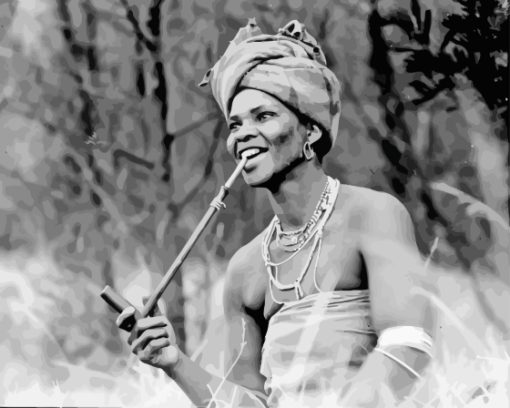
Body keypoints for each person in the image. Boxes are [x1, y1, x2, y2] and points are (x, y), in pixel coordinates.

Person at [116, 19, 433, 407]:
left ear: (311, 132)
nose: (241, 134)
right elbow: (250, 403)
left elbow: (409, 347)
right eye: (235, 124)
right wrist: (174, 362)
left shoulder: (374, 215)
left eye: (263, 116)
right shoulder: (245, 270)